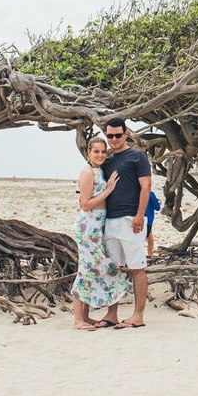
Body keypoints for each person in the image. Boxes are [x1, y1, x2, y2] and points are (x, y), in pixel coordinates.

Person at [95, 117, 152, 329]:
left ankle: (138, 315)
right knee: (113, 269)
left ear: (125, 134)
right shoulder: (107, 160)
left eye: (118, 135)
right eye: (110, 136)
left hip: (131, 220)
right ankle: (112, 314)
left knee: (137, 267)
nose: (114, 139)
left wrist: (139, 215)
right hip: (110, 221)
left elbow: (145, 187)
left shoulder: (138, 156)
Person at [70, 138, 130, 330]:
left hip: (97, 225)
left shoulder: (98, 171)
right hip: (88, 226)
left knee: (91, 269)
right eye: (96, 151)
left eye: (103, 152)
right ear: (88, 152)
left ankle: (85, 316)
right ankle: (78, 320)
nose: (100, 155)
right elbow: (86, 204)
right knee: (86, 270)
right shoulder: (87, 173)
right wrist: (109, 190)